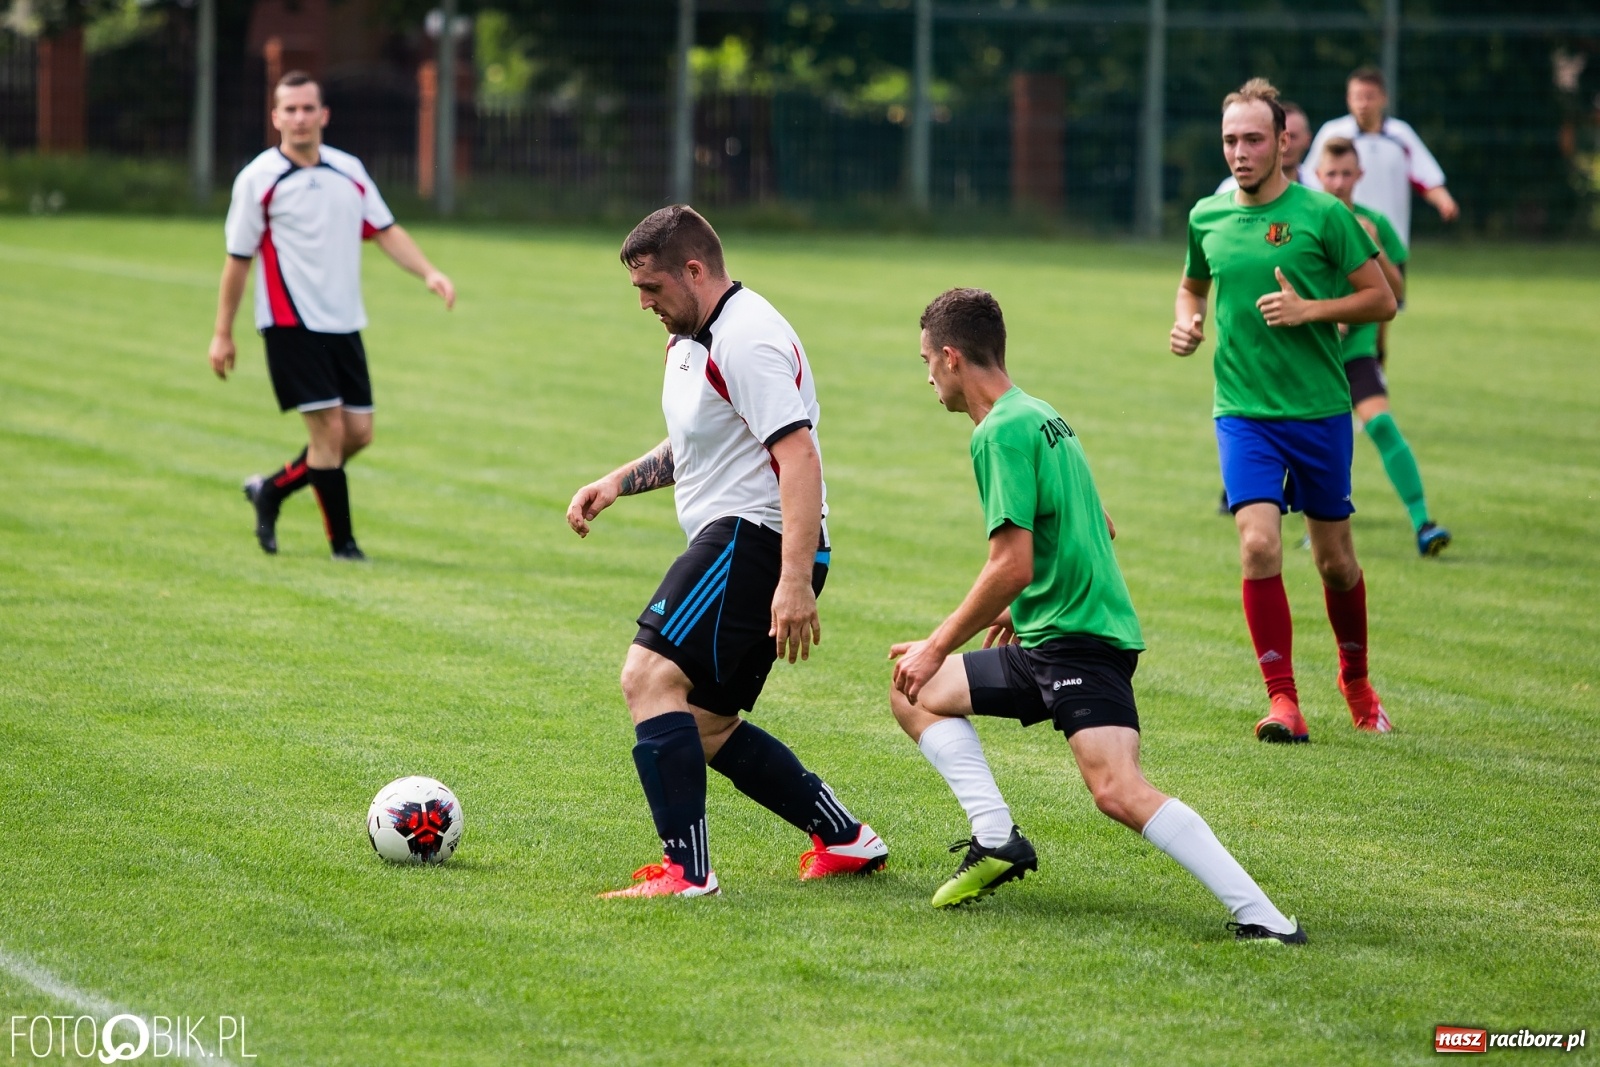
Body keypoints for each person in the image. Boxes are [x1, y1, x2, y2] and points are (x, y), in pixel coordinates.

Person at [887, 288, 1304, 943]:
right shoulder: (1040, 413)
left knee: (1118, 790)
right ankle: (997, 839)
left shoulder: (998, 431)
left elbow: (1011, 564)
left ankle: (1266, 917)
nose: (927, 378)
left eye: (926, 362)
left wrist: (940, 640)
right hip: (1057, 636)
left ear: (951, 356)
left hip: (1079, 646)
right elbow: (1097, 523)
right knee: (913, 690)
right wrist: (1023, 612)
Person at [566, 205, 886, 898]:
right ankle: (845, 838)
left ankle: (687, 874)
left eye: (651, 288)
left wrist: (794, 578)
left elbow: (798, 457)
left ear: (694, 269)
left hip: (758, 539)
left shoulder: (748, 338)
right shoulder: (690, 339)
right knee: (706, 724)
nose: (645, 303)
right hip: (748, 541)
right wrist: (618, 482)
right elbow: (696, 444)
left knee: (647, 677)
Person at [1170, 78, 1397, 743]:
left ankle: (1355, 677)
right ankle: (1283, 701)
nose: (1239, 152)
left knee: (1335, 561)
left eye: (1253, 139)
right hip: (1243, 411)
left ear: (1283, 142)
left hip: (1320, 410)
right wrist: (1186, 323)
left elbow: (1381, 299)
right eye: (1230, 140)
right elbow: (1191, 286)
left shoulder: (1323, 215)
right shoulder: (1206, 216)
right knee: (1259, 543)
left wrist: (1310, 311)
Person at [210, 71, 455, 561]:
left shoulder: (349, 170)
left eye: (308, 108)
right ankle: (344, 547)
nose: (300, 118)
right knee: (328, 435)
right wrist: (223, 333)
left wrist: (428, 272)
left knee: (358, 435)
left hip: (344, 322)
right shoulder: (258, 179)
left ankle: (272, 490)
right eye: (290, 109)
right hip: (289, 323)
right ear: (276, 116)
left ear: (324, 114)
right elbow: (238, 259)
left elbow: (385, 229)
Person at [1316, 138, 1452, 557]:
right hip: (1312, 354)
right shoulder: (1304, 221)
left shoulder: (1374, 223)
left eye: (1346, 174)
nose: (1339, 182)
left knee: (1381, 425)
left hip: (1356, 352)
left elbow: (1396, 292)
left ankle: (1423, 523)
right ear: (1317, 177)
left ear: (1360, 176)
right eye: (1331, 174)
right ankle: (1313, 525)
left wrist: (1372, 252)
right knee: (1316, 440)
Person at [1303, 66, 1459, 363]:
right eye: (1357, 96)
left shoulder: (1400, 135)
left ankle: (1373, 371)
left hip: (1385, 237)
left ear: (1383, 99)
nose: (1363, 103)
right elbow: (1310, 180)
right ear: (1348, 99)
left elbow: (1425, 176)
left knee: (1384, 312)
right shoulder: (1333, 134)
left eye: (1370, 96)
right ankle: (1361, 376)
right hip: (1341, 234)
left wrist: (1443, 200)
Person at [1216, 100, 1312, 194]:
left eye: (1293, 137)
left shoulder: (1318, 190)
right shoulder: (1227, 192)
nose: (1287, 144)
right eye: (1230, 141)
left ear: (1308, 139)